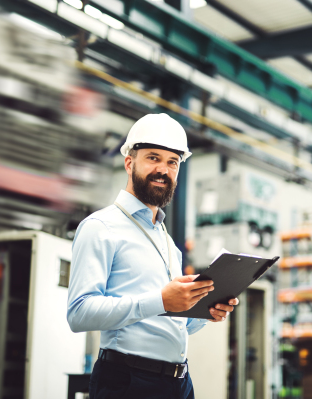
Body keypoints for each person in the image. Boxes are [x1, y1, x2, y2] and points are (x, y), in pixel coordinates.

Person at [67, 113, 238, 399]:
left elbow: (169, 320)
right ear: (129, 162)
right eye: (153, 158)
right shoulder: (100, 227)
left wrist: (204, 311)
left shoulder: (167, 241)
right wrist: (160, 300)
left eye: (173, 162)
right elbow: (78, 313)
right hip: (128, 382)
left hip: (178, 383)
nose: (164, 169)